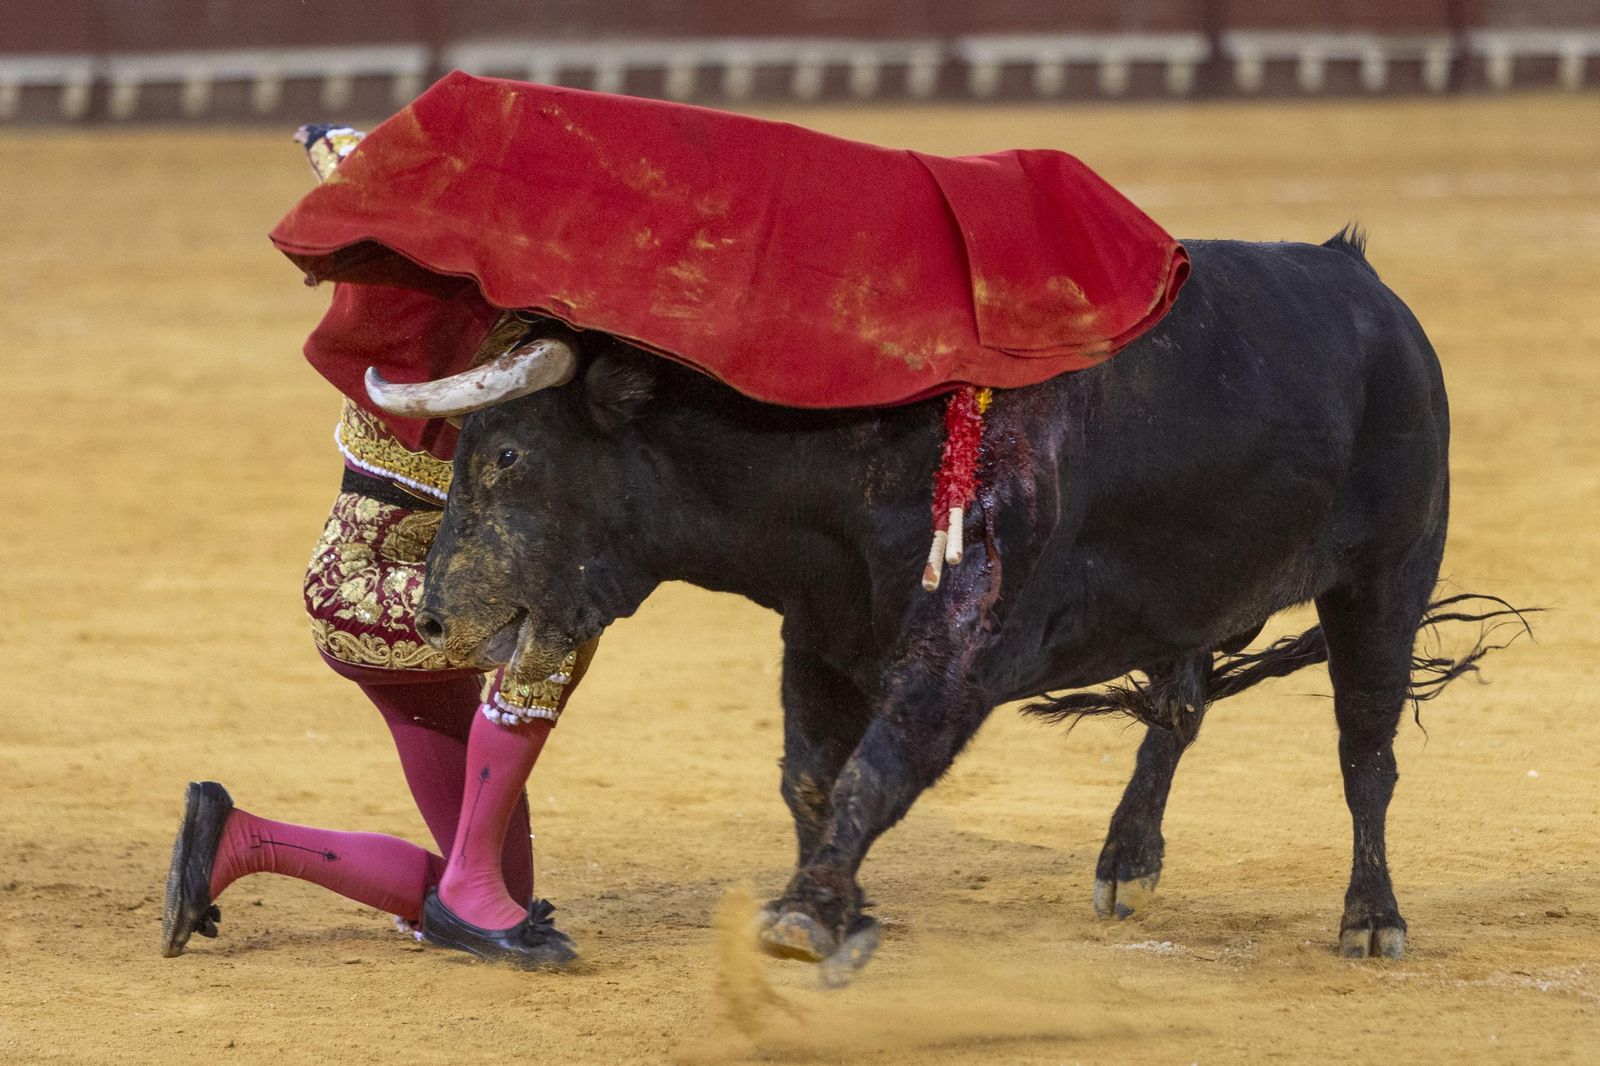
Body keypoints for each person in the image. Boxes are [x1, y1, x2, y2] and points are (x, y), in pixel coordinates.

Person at [160, 126, 595, 969]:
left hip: (414, 606)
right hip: (369, 594)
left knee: (493, 895)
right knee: (561, 619)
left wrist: (336, 145)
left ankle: (244, 842)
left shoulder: (455, 298)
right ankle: (470, 883)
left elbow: (349, 153)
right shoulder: (482, 328)